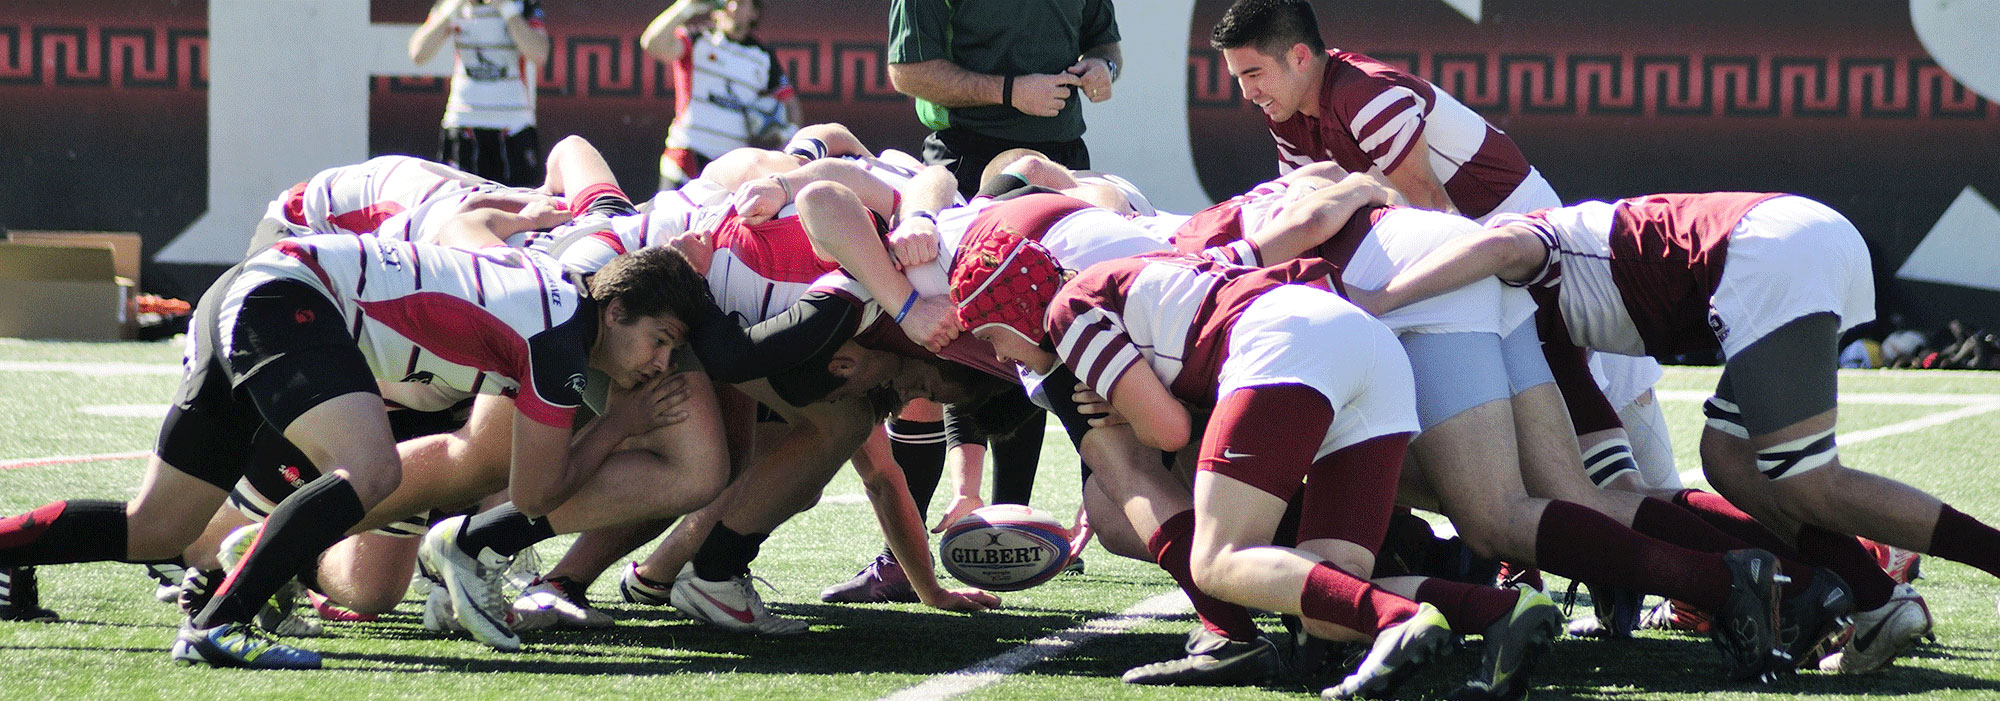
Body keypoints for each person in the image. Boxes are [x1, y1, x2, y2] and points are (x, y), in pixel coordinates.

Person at [0, 202, 713, 668]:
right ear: (615, 310)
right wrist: (620, 422)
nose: (658, 364)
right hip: (289, 296)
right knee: (373, 472)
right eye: (661, 340)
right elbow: (531, 495)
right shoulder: (563, 339)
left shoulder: (551, 296)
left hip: (256, 289)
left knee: (156, 527)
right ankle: (222, 623)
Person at [1356, 191, 2000, 674]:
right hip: (1784, 246)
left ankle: (1907, 581)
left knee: (1806, 477)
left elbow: (1502, 245)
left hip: (1757, 257)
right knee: (1726, 459)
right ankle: (1869, 594)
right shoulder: (1543, 330)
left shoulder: (1510, 261)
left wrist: (1379, 301)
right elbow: (1601, 481)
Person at [642, 0, 802, 190]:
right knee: (667, 219)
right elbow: (652, 44)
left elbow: (790, 104)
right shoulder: (698, 39)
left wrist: (788, 137)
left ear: (754, 13)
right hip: (686, 156)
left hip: (730, 167)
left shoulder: (763, 56)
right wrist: (686, 7)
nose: (733, 8)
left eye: (742, 3)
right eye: (728, 1)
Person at [410, 0, 551, 187]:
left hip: (513, 127)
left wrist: (506, 9)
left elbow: (539, 54)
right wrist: (450, 10)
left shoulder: (522, 5)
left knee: (520, 207)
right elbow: (418, 53)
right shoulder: (452, 4)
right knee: (458, 208)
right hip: (463, 126)